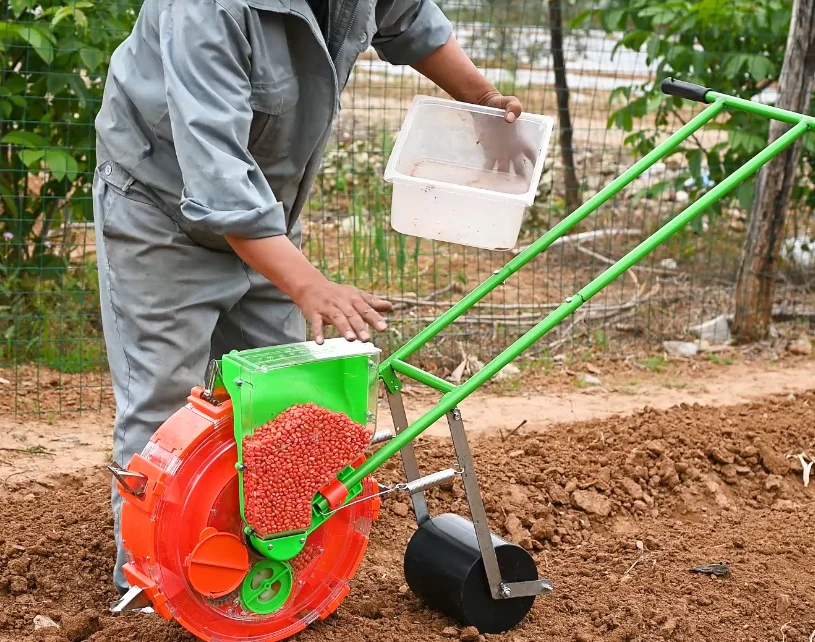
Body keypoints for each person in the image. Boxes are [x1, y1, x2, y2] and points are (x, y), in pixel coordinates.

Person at [94, 0, 529, 595]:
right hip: (161, 210)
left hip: (268, 215)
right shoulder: (206, 10)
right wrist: (308, 284)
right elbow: (217, 176)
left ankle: (257, 575)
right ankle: (153, 590)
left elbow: (410, 20)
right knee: (165, 409)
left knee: (283, 407)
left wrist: (483, 99)